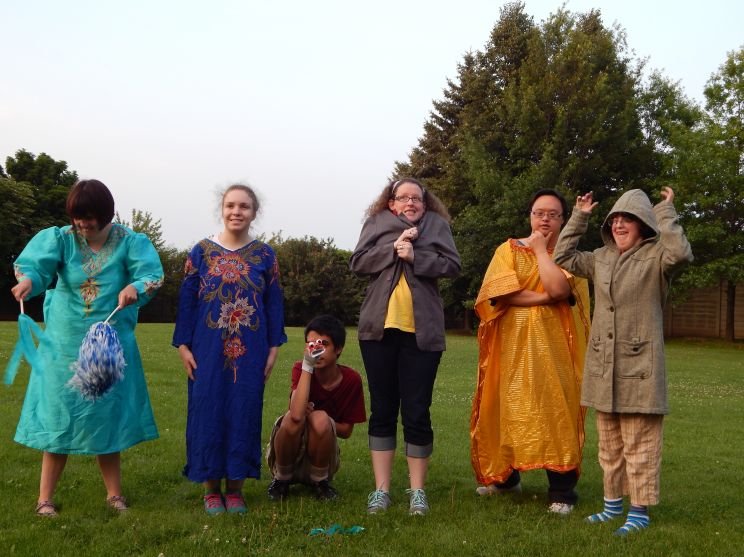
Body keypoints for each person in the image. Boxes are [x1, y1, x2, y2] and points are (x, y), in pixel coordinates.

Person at [9, 179, 163, 516]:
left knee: (106, 416)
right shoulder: (61, 239)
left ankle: (114, 495)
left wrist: (135, 287)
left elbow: (150, 274)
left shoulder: (129, 242)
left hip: (107, 351)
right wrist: (28, 281)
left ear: (107, 214)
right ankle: (45, 498)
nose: (82, 223)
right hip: (63, 345)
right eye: (77, 216)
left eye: (89, 217)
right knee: (58, 415)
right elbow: (36, 267)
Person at [554, 187, 692, 536]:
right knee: (610, 445)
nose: (618, 224)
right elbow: (563, 255)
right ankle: (611, 506)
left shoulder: (658, 257)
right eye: (614, 219)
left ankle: (639, 512)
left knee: (640, 445)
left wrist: (666, 211)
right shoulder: (600, 257)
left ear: (642, 223)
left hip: (640, 369)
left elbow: (681, 253)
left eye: (626, 219)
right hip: (604, 368)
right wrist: (580, 216)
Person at [470, 188, 591, 515]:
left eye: (553, 214)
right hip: (510, 349)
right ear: (530, 216)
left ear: (563, 219)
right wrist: (544, 298)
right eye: (539, 213)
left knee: (555, 412)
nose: (545, 219)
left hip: (555, 352)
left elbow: (559, 287)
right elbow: (501, 295)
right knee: (508, 409)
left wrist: (540, 251)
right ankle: (506, 480)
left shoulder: (568, 256)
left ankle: (562, 491)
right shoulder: (507, 250)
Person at [172, 184, 286, 515]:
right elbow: (187, 303)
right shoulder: (201, 252)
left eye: (244, 206)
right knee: (207, 411)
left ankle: (235, 489)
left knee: (243, 410)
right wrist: (183, 345)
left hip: (251, 349)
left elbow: (274, 303)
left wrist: (273, 348)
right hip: (206, 349)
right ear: (222, 210)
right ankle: (211, 489)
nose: (237, 212)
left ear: (254, 212)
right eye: (231, 205)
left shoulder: (265, 256)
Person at [350, 177, 461, 516]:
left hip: (423, 335)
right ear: (391, 203)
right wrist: (392, 248)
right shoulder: (376, 224)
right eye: (403, 197)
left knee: (417, 411)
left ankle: (417, 492)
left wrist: (416, 257)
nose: (410, 202)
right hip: (378, 333)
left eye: (417, 198)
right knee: (382, 409)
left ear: (425, 205)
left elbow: (453, 266)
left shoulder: (437, 226)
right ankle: (381, 490)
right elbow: (357, 262)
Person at [265, 315, 366, 501]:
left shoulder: (351, 380)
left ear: (338, 348)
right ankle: (281, 479)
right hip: (290, 450)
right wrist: (307, 367)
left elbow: (346, 431)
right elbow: (296, 415)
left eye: (324, 344)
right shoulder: (300, 369)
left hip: (322, 454)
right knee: (291, 419)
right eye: (311, 344)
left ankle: (320, 482)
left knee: (319, 418)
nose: (316, 350)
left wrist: (321, 420)